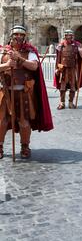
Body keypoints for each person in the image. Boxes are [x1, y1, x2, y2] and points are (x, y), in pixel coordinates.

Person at [0, 25, 53, 159]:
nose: (18, 37)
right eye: (16, 35)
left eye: (21, 35)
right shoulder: (3, 52)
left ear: (24, 37)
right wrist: (6, 66)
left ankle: (25, 146)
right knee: (2, 121)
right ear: (11, 36)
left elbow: (34, 66)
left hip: (23, 92)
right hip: (5, 92)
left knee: (24, 121)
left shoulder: (30, 51)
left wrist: (20, 59)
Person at [54, 29, 82, 110]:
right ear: (65, 36)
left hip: (73, 69)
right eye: (67, 36)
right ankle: (62, 103)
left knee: (72, 86)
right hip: (63, 69)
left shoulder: (77, 45)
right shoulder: (61, 45)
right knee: (62, 87)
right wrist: (57, 69)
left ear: (72, 36)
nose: (68, 37)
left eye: (70, 36)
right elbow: (58, 58)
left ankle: (71, 103)